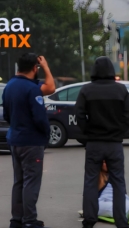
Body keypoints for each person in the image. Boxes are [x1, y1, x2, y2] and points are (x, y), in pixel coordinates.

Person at [75, 56, 129, 228]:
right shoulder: (121, 90)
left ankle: (90, 219)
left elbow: (79, 115)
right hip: (114, 144)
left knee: (91, 181)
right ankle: (121, 221)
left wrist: (87, 133)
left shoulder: (86, 90)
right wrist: (119, 132)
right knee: (118, 183)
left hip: (94, 143)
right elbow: (127, 116)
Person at [2, 53, 55, 228]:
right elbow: (40, 118)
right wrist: (46, 135)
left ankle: (16, 219)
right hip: (31, 142)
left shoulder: (9, 85)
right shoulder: (32, 89)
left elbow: (7, 114)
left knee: (19, 181)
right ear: (35, 68)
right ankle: (30, 221)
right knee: (31, 181)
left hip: (15, 139)